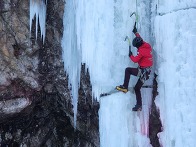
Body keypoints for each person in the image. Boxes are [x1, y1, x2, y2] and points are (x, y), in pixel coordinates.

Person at [116, 24, 153, 111]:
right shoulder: (146, 45)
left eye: (136, 47)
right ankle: (139, 106)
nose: (137, 48)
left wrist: (130, 55)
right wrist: (136, 32)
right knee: (137, 88)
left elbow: (135, 60)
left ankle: (125, 87)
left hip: (143, 72)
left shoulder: (142, 51)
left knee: (128, 70)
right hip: (146, 72)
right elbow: (141, 40)